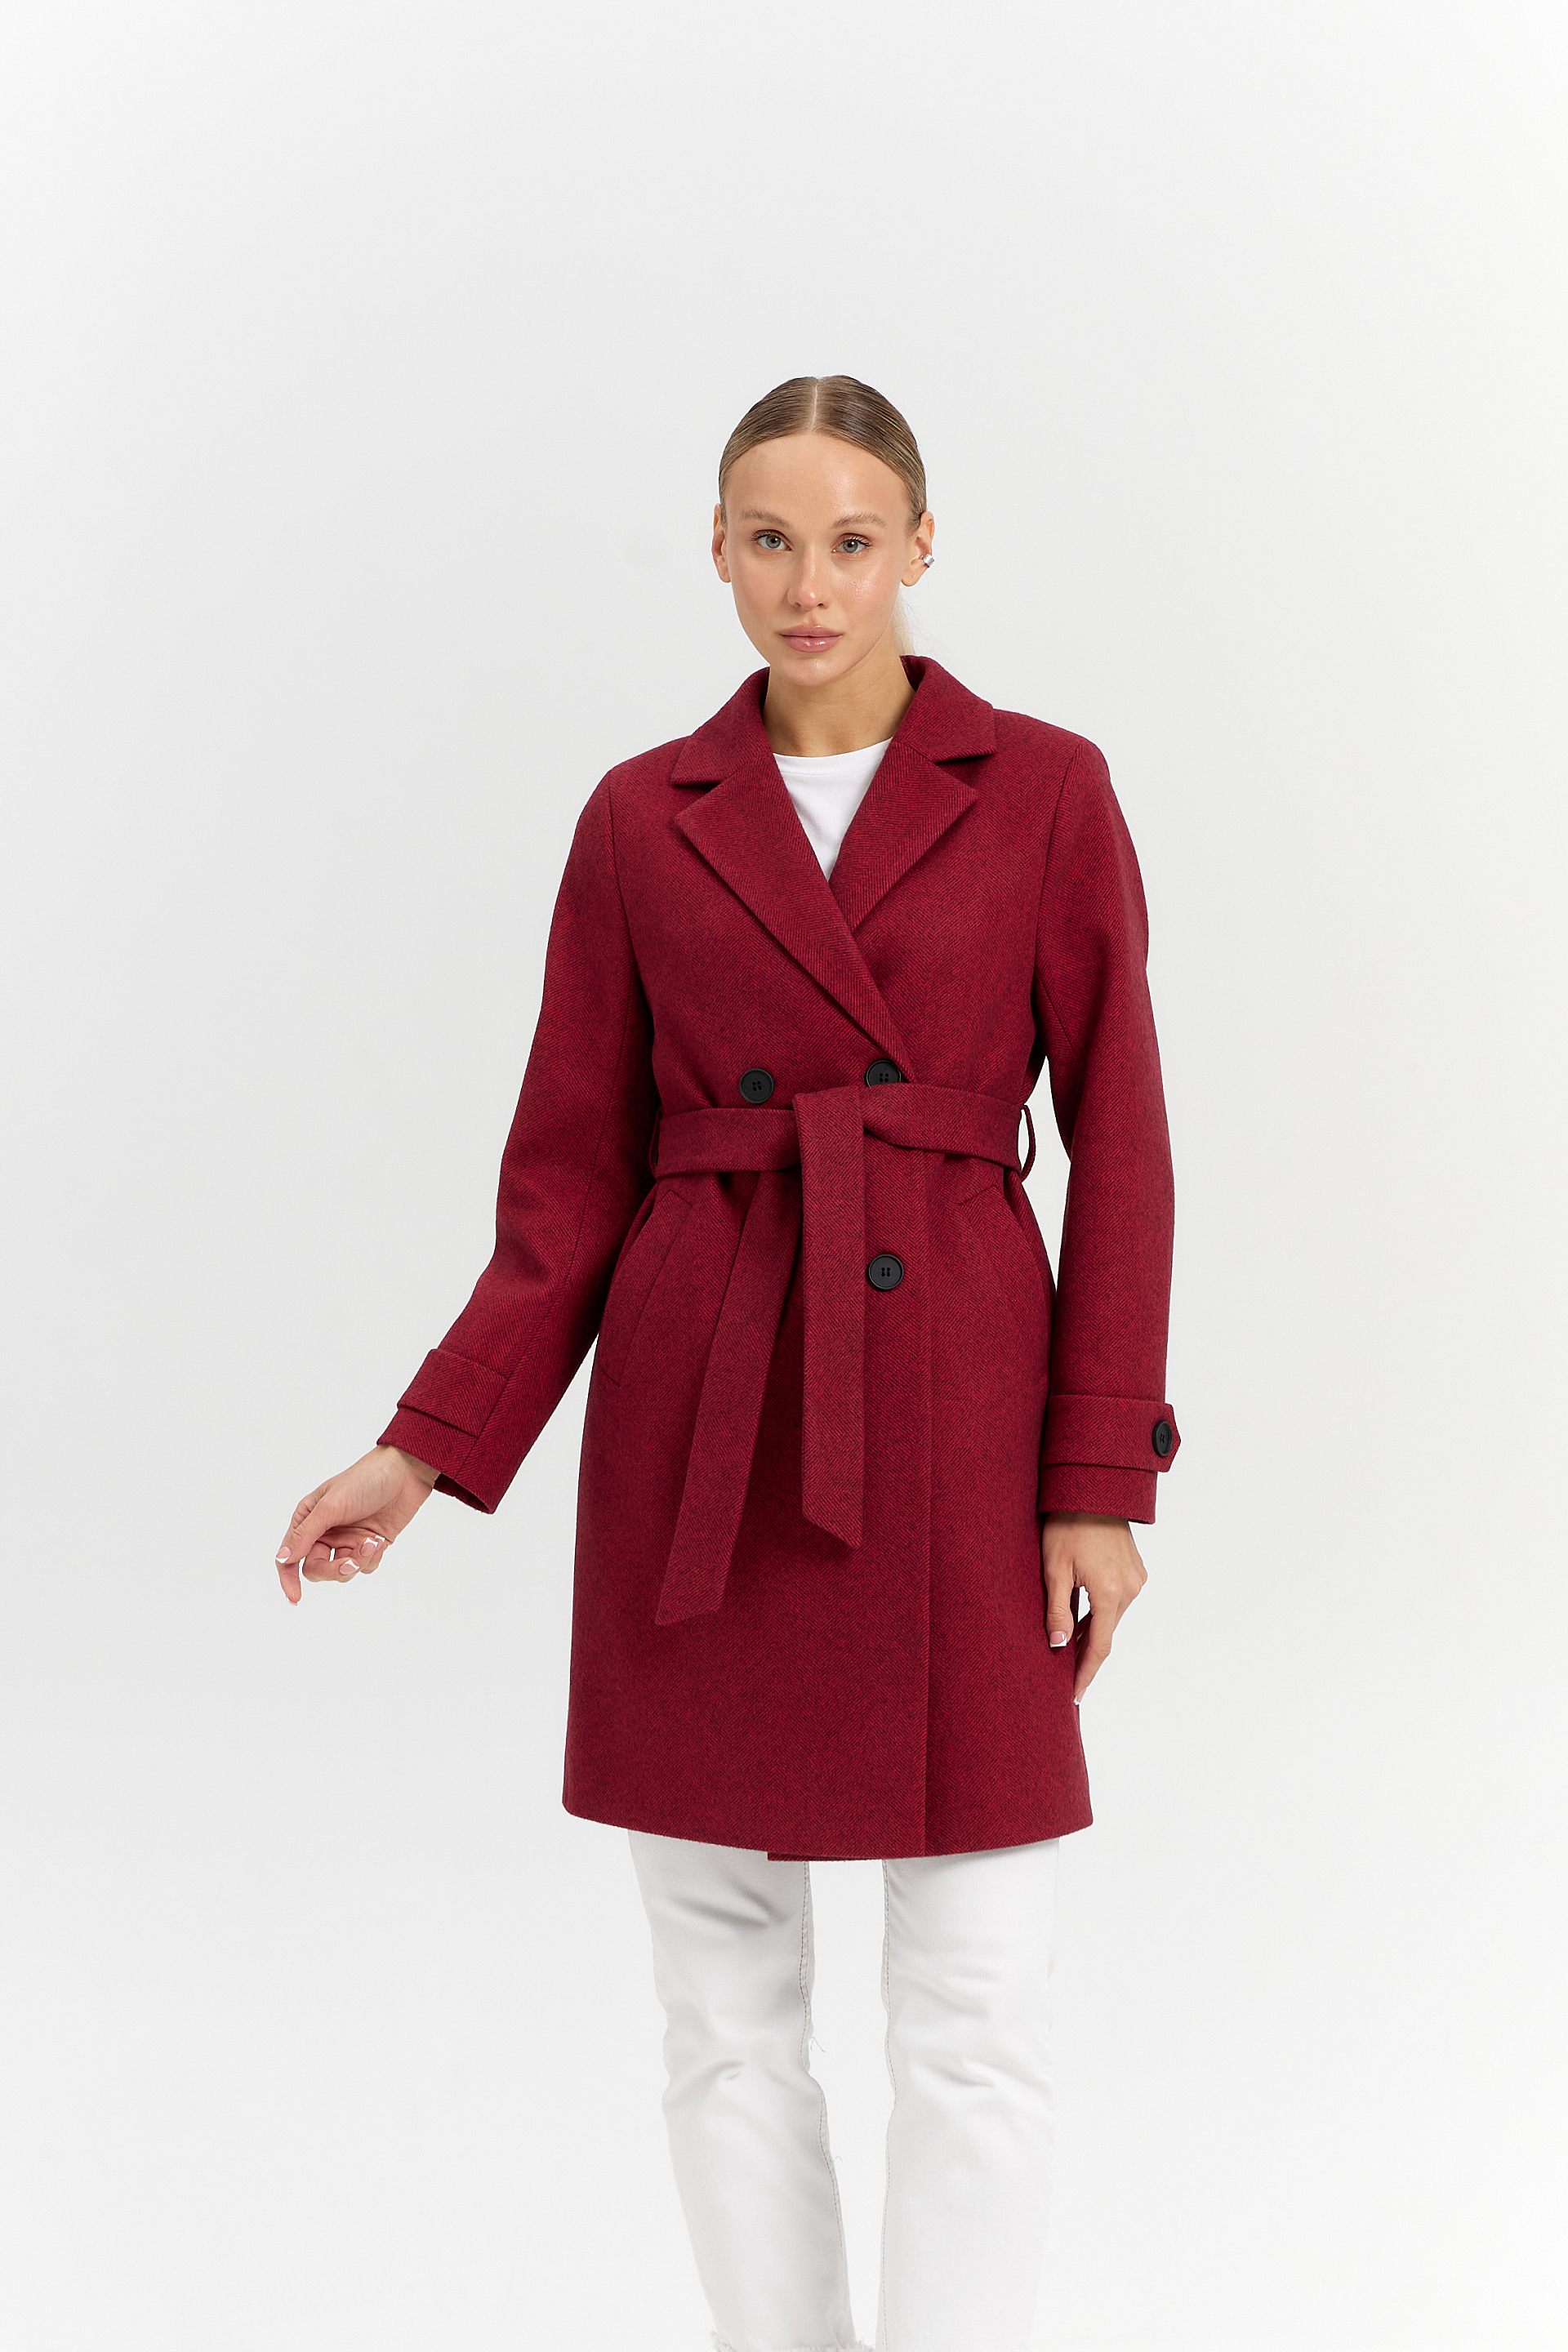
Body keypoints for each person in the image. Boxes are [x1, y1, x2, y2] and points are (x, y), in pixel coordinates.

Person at [275, 374, 1179, 2352]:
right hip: (706, 1423)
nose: (810, 584)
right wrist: (421, 1450)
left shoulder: (1045, 787)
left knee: (980, 1998)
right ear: (715, 550)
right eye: (770, 540)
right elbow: (567, 1183)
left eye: (851, 540)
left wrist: (1098, 1478)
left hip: (959, 1415)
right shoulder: (640, 817)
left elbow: (1125, 1138)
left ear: (921, 547)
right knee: (720, 2008)